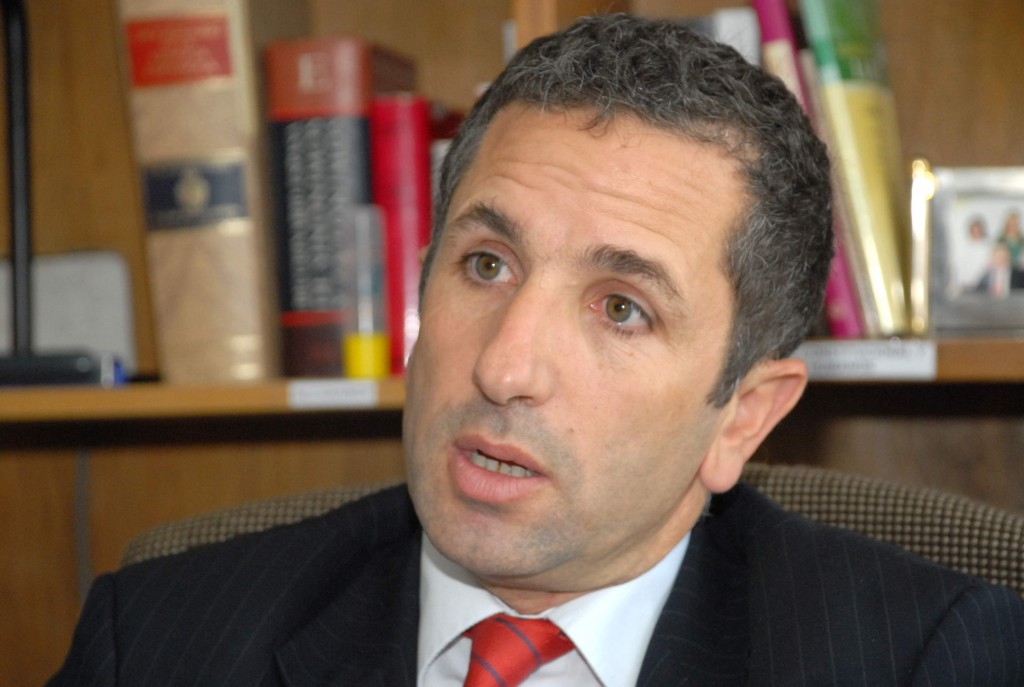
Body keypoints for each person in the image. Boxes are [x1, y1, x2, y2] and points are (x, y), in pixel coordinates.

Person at [50, 14, 1023, 686]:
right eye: (486, 264)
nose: (503, 366)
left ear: (744, 415)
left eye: (621, 309)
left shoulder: (926, 660)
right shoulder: (162, 641)